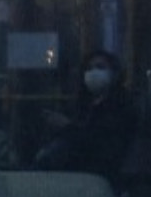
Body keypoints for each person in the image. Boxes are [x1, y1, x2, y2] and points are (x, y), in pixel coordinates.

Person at [36, 47, 140, 180]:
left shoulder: (121, 106)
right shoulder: (84, 104)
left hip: (98, 175)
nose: (93, 72)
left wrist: (67, 126)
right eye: (89, 68)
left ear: (114, 73)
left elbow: (100, 143)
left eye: (100, 67)